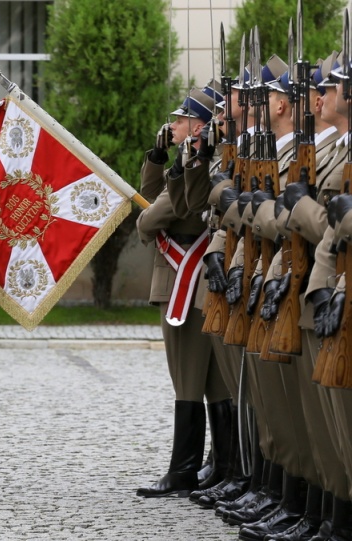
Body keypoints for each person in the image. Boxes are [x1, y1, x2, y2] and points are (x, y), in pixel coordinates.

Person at [135, 87, 231, 498]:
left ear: (199, 124)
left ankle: (186, 468)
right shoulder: (188, 157)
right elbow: (155, 195)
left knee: (191, 379)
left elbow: (154, 215)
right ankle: (222, 465)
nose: (172, 125)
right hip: (182, 275)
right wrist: (156, 160)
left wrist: (147, 218)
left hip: (188, 276)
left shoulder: (204, 161)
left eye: (180, 119)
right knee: (206, 380)